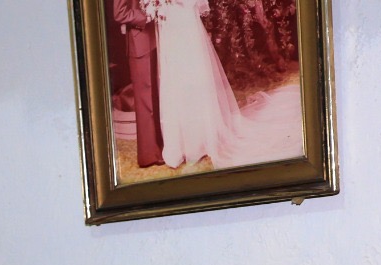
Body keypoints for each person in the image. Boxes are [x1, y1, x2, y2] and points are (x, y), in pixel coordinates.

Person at [149, 0, 268, 169]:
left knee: (189, 76)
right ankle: (178, 144)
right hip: (168, 21)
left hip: (183, 20)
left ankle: (197, 142)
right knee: (174, 78)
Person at [112, 0, 163, 168]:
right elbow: (119, 13)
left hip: (154, 38)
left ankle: (160, 147)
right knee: (145, 102)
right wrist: (145, 16)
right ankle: (148, 155)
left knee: (155, 98)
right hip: (139, 42)